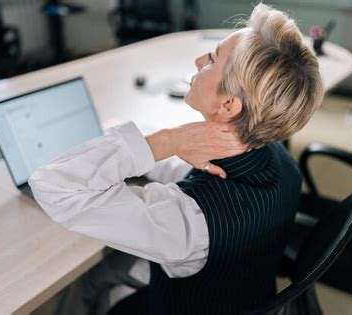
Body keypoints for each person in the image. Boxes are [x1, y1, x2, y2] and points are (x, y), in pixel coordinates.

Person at [28, 2, 324, 314]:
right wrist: (157, 145)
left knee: (89, 279)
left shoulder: (185, 223)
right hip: (241, 287)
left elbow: (51, 186)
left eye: (211, 60)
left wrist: (167, 140)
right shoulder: (282, 161)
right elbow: (198, 174)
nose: (198, 61)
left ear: (228, 106)